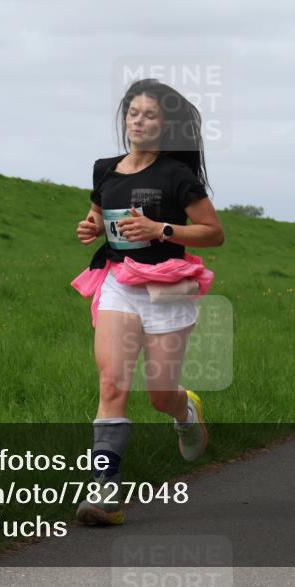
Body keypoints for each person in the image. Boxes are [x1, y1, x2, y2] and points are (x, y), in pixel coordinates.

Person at [72, 78, 225, 525]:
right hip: (119, 282)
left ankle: (185, 411)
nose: (138, 121)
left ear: (165, 126)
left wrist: (162, 230)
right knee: (112, 384)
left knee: (159, 394)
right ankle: (106, 493)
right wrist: (91, 229)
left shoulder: (178, 176)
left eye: (150, 115)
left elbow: (214, 233)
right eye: (133, 113)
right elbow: (99, 216)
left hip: (168, 287)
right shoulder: (105, 168)